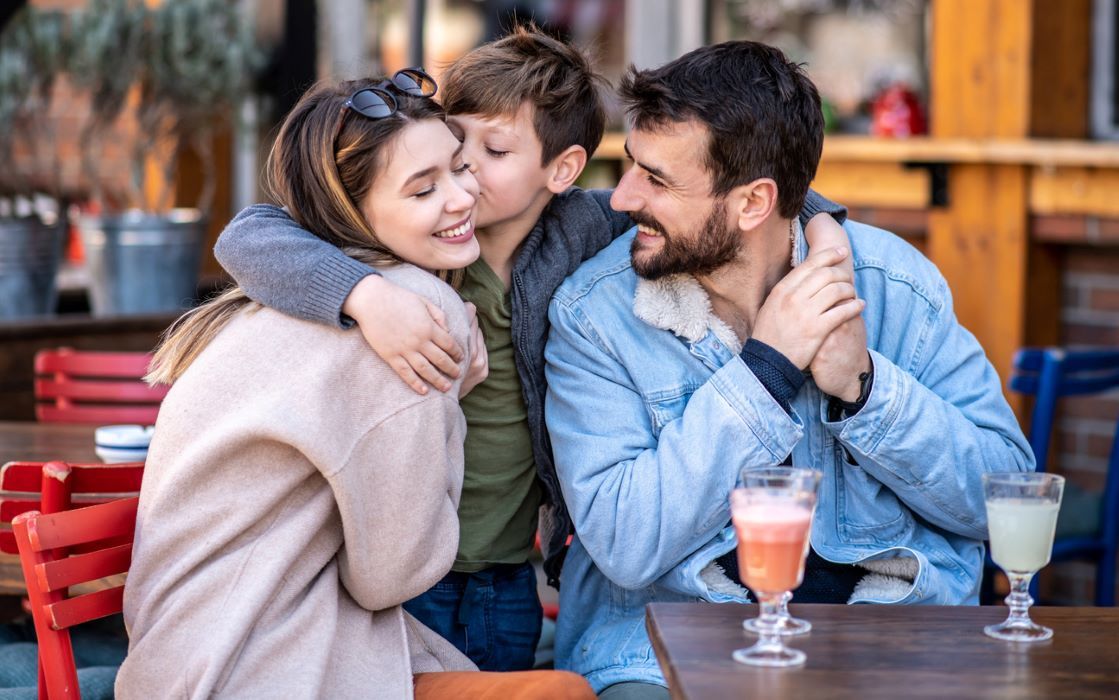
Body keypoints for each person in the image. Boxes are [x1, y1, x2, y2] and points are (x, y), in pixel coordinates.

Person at [209, 26, 847, 671]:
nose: (464, 175)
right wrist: (366, 295)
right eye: (456, 145)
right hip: (398, 574)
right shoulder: (408, 242)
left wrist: (824, 229)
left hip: (509, 575)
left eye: (495, 150)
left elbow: (732, 191)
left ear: (562, 170)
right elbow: (251, 234)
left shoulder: (580, 225)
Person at [542, 41, 1035, 698]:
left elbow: (1005, 496)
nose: (622, 199)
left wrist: (864, 389)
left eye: (656, 180)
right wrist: (764, 371)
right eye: (630, 165)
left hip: (889, 639)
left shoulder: (894, 287)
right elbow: (625, 543)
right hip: (663, 650)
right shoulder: (594, 315)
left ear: (752, 204)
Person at [115, 74, 593, 699]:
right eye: (424, 190)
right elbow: (392, 577)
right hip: (255, 658)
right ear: (353, 210)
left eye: (459, 167)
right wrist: (450, 398)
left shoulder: (274, 299)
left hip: (175, 649)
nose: (461, 196)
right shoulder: (414, 309)